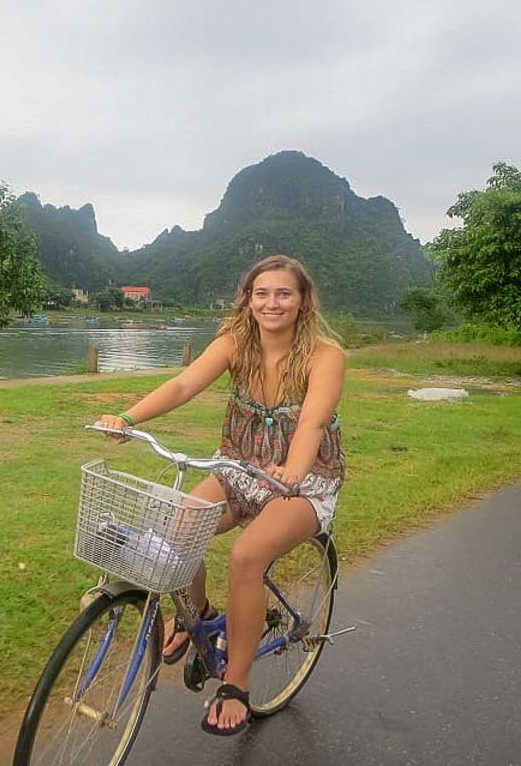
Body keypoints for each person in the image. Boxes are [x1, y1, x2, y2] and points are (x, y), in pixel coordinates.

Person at [95, 254, 346, 736]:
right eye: (262, 293)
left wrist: (292, 473)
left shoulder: (325, 355)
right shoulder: (236, 344)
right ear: (248, 300)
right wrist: (128, 418)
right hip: (239, 466)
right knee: (177, 528)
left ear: (303, 301)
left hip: (305, 478)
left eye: (284, 293)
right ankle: (201, 616)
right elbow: (185, 382)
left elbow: (313, 420)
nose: (272, 303)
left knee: (246, 557)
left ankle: (237, 682)